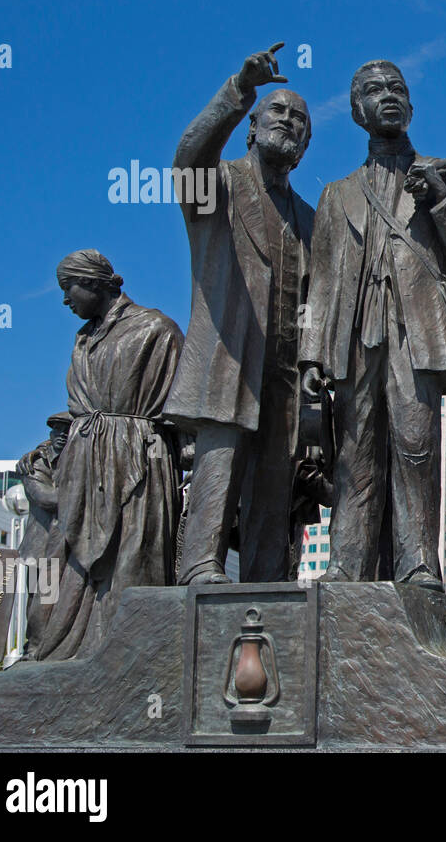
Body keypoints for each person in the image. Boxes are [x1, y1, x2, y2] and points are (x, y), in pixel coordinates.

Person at [300, 59, 446, 586]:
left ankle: (417, 563)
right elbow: (320, 284)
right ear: (355, 111)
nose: (387, 96)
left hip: (416, 331)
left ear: (411, 105)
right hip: (354, 332)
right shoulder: (336, 194)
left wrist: (441, 201)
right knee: (353, 451)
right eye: (373, 90)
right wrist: (312, 354)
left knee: (415, 445)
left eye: (397, 88)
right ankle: (346, 564)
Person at [163, 43, 316, 585]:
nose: (290, 123)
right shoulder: (219, 187)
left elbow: (315, 300)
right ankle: (200, 564)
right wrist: (238, 89)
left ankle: (266, 576)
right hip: (230, 354)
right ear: (251, 127)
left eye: (301, 121)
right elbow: (188, 160)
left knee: (276, 482)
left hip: (285, 370)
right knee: (219, 466)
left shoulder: (308, 217)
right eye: (278, 112)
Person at [37, 251, 183, 661]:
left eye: (69, 289)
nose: (65, 300)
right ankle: (66, 655)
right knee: (65, 566)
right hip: (83, 467)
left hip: (138, 462)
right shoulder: (82, 340)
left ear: (95, 283)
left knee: (132, 563)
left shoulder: (156, 329)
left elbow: (181, 412)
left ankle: (129, 661)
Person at [14, 411, 72, 659]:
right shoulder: (37, 463)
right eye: (57, 430)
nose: (62, 435)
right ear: (50, 433)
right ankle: (33, 649)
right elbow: (45, 497)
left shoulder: (73, 460)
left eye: (67, 431)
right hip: (41, 547)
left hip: (66, 546)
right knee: (40, 599)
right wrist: (82, 494)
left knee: (61, 601)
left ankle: (49, 648)